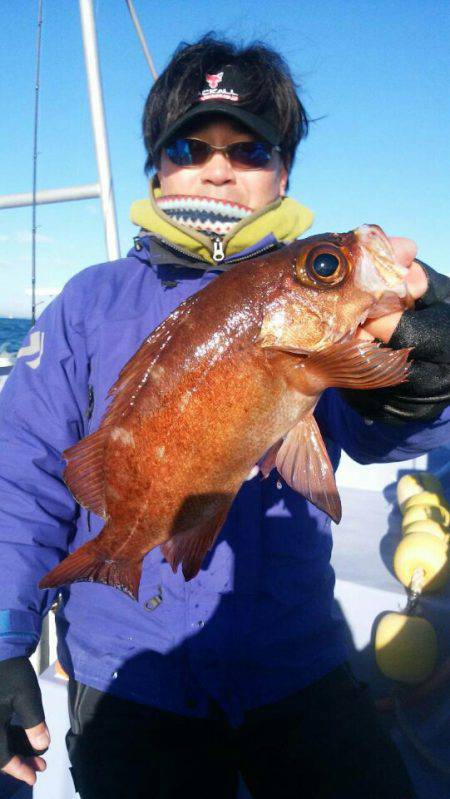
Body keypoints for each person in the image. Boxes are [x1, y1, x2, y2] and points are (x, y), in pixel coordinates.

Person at [0, 34, 449, 799]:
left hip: (297, 662)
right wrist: (7, 637)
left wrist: (430, 372)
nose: (219, 165)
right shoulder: (90, 301)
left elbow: (396, 435)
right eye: (190, 144)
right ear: (157, 164)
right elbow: (23, 473)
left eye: (251, 150)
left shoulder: (332, 320)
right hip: (127, 673)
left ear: (283, 174)